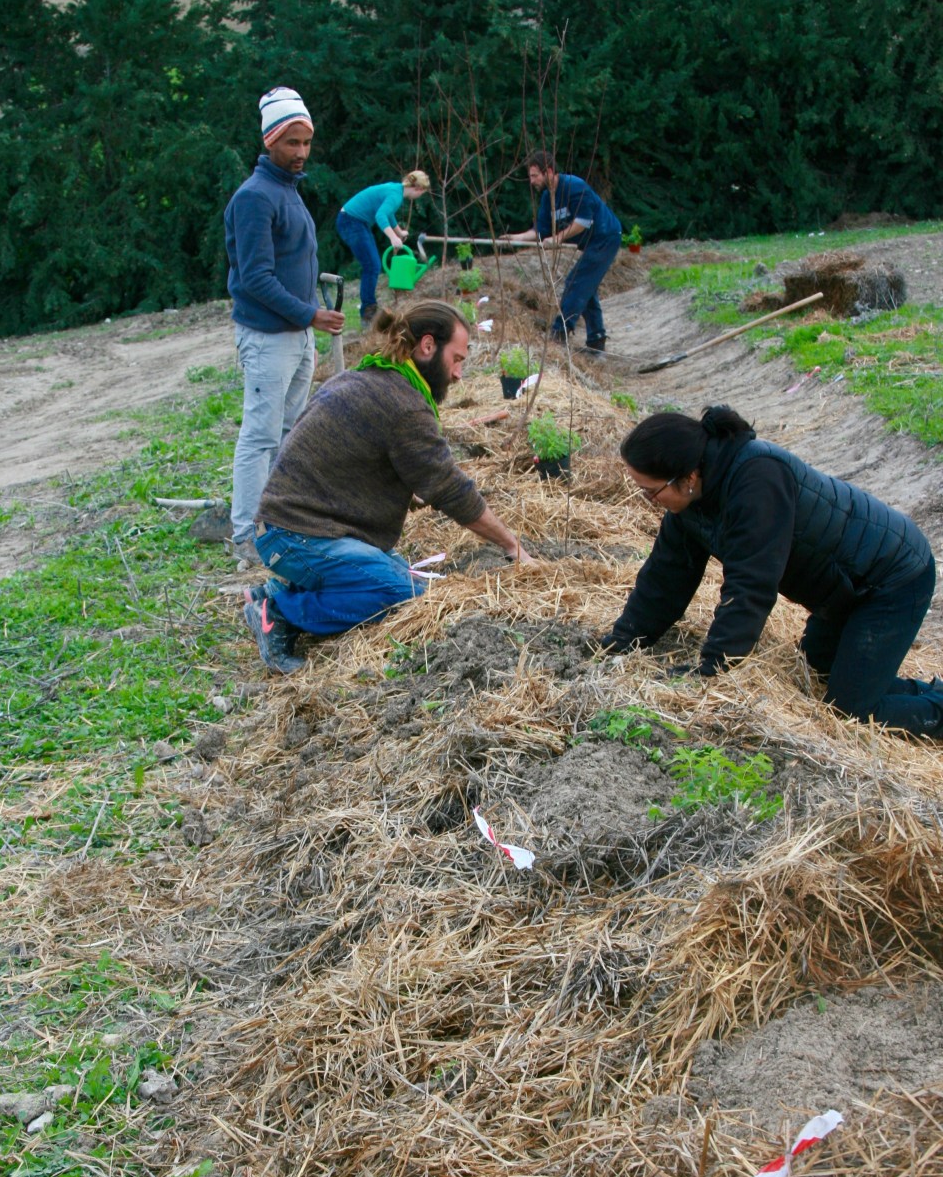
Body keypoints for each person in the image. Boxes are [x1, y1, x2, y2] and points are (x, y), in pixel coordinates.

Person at [603, 405, 943, 739]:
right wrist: (623, 642)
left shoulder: (757, 480)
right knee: (819, 672)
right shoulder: (692, 499)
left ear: (688, 476)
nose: (648, 500)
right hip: (843, 587)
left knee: (851, 711)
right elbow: (666, 576)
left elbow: (750, 586)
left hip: (890, 578)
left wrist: (714, 668)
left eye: (651, 491)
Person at [242, 299, 532, 674]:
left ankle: (278, 593)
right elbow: (449, 489)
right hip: (295, 536)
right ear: (427, 346)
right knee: (397, 592)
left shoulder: (372, 378)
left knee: (398, 573)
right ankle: (279, 611)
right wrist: (512, 545)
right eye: (457, 359)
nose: (459, 374)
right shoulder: (404, 404)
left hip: (295, 527)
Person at [224, 86, 345, 568]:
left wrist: (310, 314)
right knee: (260, 434)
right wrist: (310, 313)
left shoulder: (287, 192)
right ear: (270, 140)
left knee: (291, 429)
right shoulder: (254, 198)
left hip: (296, 335)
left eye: (306, 142)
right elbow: (254, 278)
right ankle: (245, 537)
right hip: (268, 336)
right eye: (291, 143)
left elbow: (291, 262)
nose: (300, 152)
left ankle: (278, 522)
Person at [501, 149, 622, 356]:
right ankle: (596, 341)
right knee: (587, 288)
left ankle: (560, 332)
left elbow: (583, 222)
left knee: (576, 282)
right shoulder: (548, 197)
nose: (531, 181)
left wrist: (558, 238)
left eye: (534, 175)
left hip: (605, 236)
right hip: (590, 242)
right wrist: (516, 238)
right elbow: (541, 230)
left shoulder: (574, 187)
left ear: (548, 171)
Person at [335, 171, 432, 323]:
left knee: (372, 265)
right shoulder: (396, 195)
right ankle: (368, 313)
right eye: (422, 193)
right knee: (372, 265)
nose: (420, 196)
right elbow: (380, 216)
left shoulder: (396, 189)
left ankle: (369, 309)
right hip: (351, 222)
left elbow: (388, 213)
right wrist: (393, 237)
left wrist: (399, 232)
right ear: (418, 188)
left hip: (353, 221)